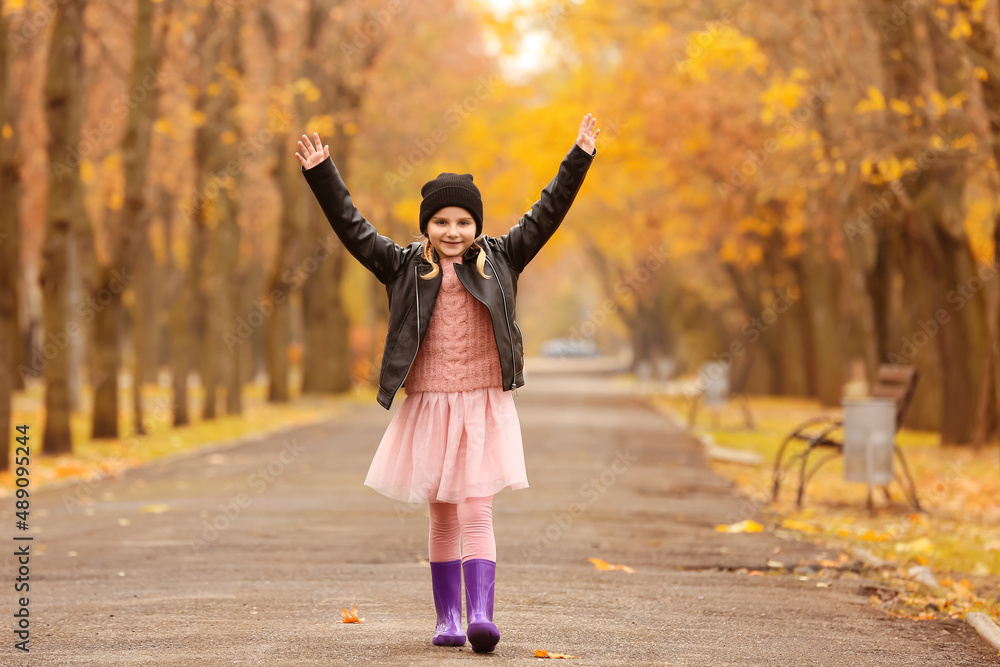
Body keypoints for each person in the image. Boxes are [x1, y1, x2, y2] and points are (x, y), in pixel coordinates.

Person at [296, 114, 599, 653]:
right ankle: (448, 620)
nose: (453, 231)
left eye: (463, 221)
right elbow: (352, 227)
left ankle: (482, 614)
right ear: (425, 228)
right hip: (431, 405)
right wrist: (323, 174)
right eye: (441, 222)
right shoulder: (402, 266)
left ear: (477, 226)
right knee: (441, 513)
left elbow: (547, 212)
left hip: (482, 404)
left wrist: (578, 157)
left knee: (477, 508)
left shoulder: (503, 257)